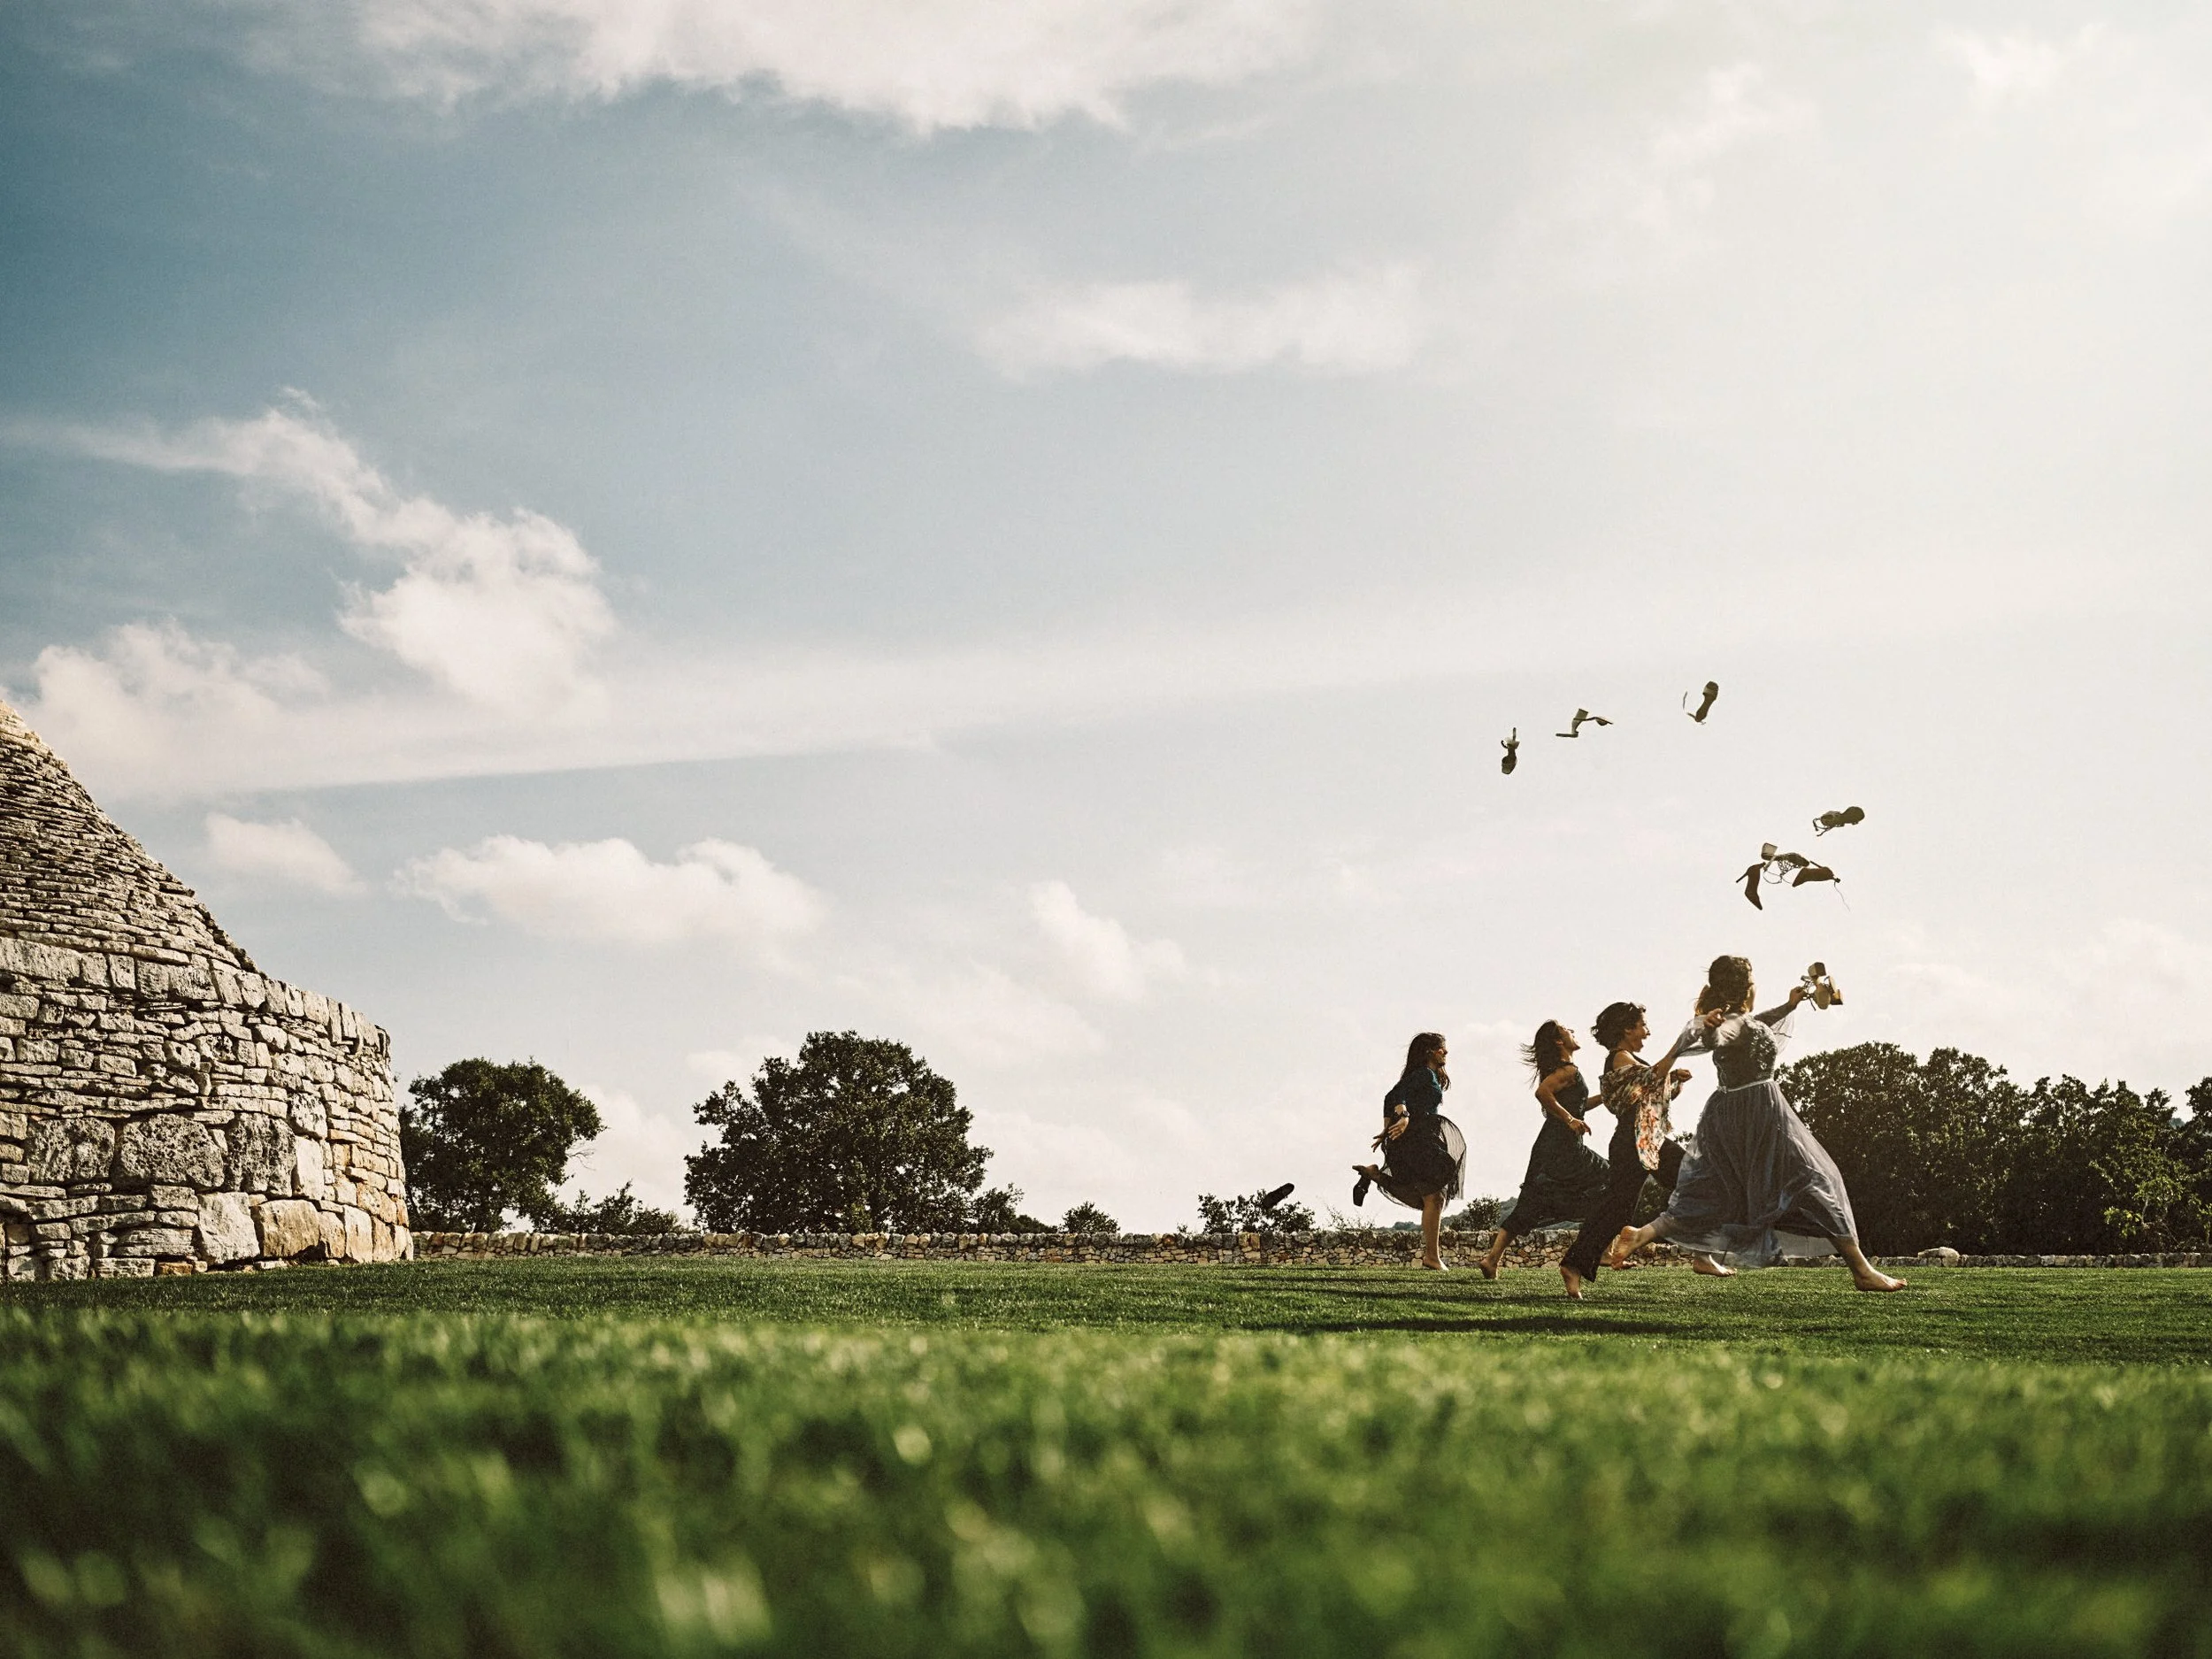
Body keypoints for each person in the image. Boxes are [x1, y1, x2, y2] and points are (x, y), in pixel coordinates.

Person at [1609, 956, 1908, 1293]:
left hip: (1746, 1112)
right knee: (1814, 1179)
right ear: (1746, 988)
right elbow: (1718, 1036)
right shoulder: (1726, 1025)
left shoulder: (1743, 1022)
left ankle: (1643, 1234)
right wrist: (1707, 1027)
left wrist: (1789, 1005)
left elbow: (1753, 1024)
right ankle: (1862, 1270)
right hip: (1754, 1114)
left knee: (1720, 1190)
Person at [1555, 1001, 1731, 1299]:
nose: (1647, 1032)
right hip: (1632, 1141)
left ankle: (1702, 1254)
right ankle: (1574, 1264)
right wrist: (1679, 1048)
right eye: (1643, 1026)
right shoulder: (1620, 1058)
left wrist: (1673, 1082)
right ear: (1627, 1029)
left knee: (1695, 1183)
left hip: (1648, 1140)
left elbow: (1649, 1094)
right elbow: (1650, 1078)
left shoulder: (1628, 1059)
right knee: (1620, 1208)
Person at [1475, 1021, 1612, 1279]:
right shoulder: (1568, 1070)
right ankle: (1602, 1249)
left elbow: (1579, 1105)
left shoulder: (1565, 1071)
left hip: (1550, 1144)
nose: (1573, 1031)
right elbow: (1542, 1093)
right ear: (1559, 1041)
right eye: (1567, 1029)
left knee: (1532, 1200)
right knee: (1612, 1178)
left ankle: (1491, 1260)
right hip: (1563, 1145)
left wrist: (1605, 1098)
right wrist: (1569, 1119)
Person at [1352, 1032, 1466, 1271]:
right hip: (1417, 1139)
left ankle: (1375, 1175)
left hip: (1417, 1138)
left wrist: (1387, 1129)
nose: (1446, 1052)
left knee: (1430, 1199)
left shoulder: (1427, 1075)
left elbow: (1389, 1098)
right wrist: (1402, 1117)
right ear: (1429, 1052)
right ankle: (1432, 1257)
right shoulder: (1424, 1073)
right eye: (1441, 1049)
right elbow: (1394, 1096)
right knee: (1434, 1198)